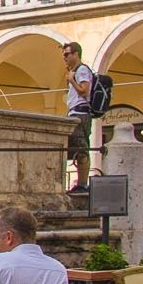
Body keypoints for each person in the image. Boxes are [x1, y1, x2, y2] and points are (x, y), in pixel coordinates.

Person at [62, 42, 95, 193]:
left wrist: (71, 80)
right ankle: (81, 183)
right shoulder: (77, 70)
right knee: (77, 148)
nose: (65, 58)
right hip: (76, 113)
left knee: (81, 148)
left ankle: (83, 184)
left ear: (76, 54)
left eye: (67, 54)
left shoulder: (82, 70)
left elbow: (84, 90)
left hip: (80, 114)